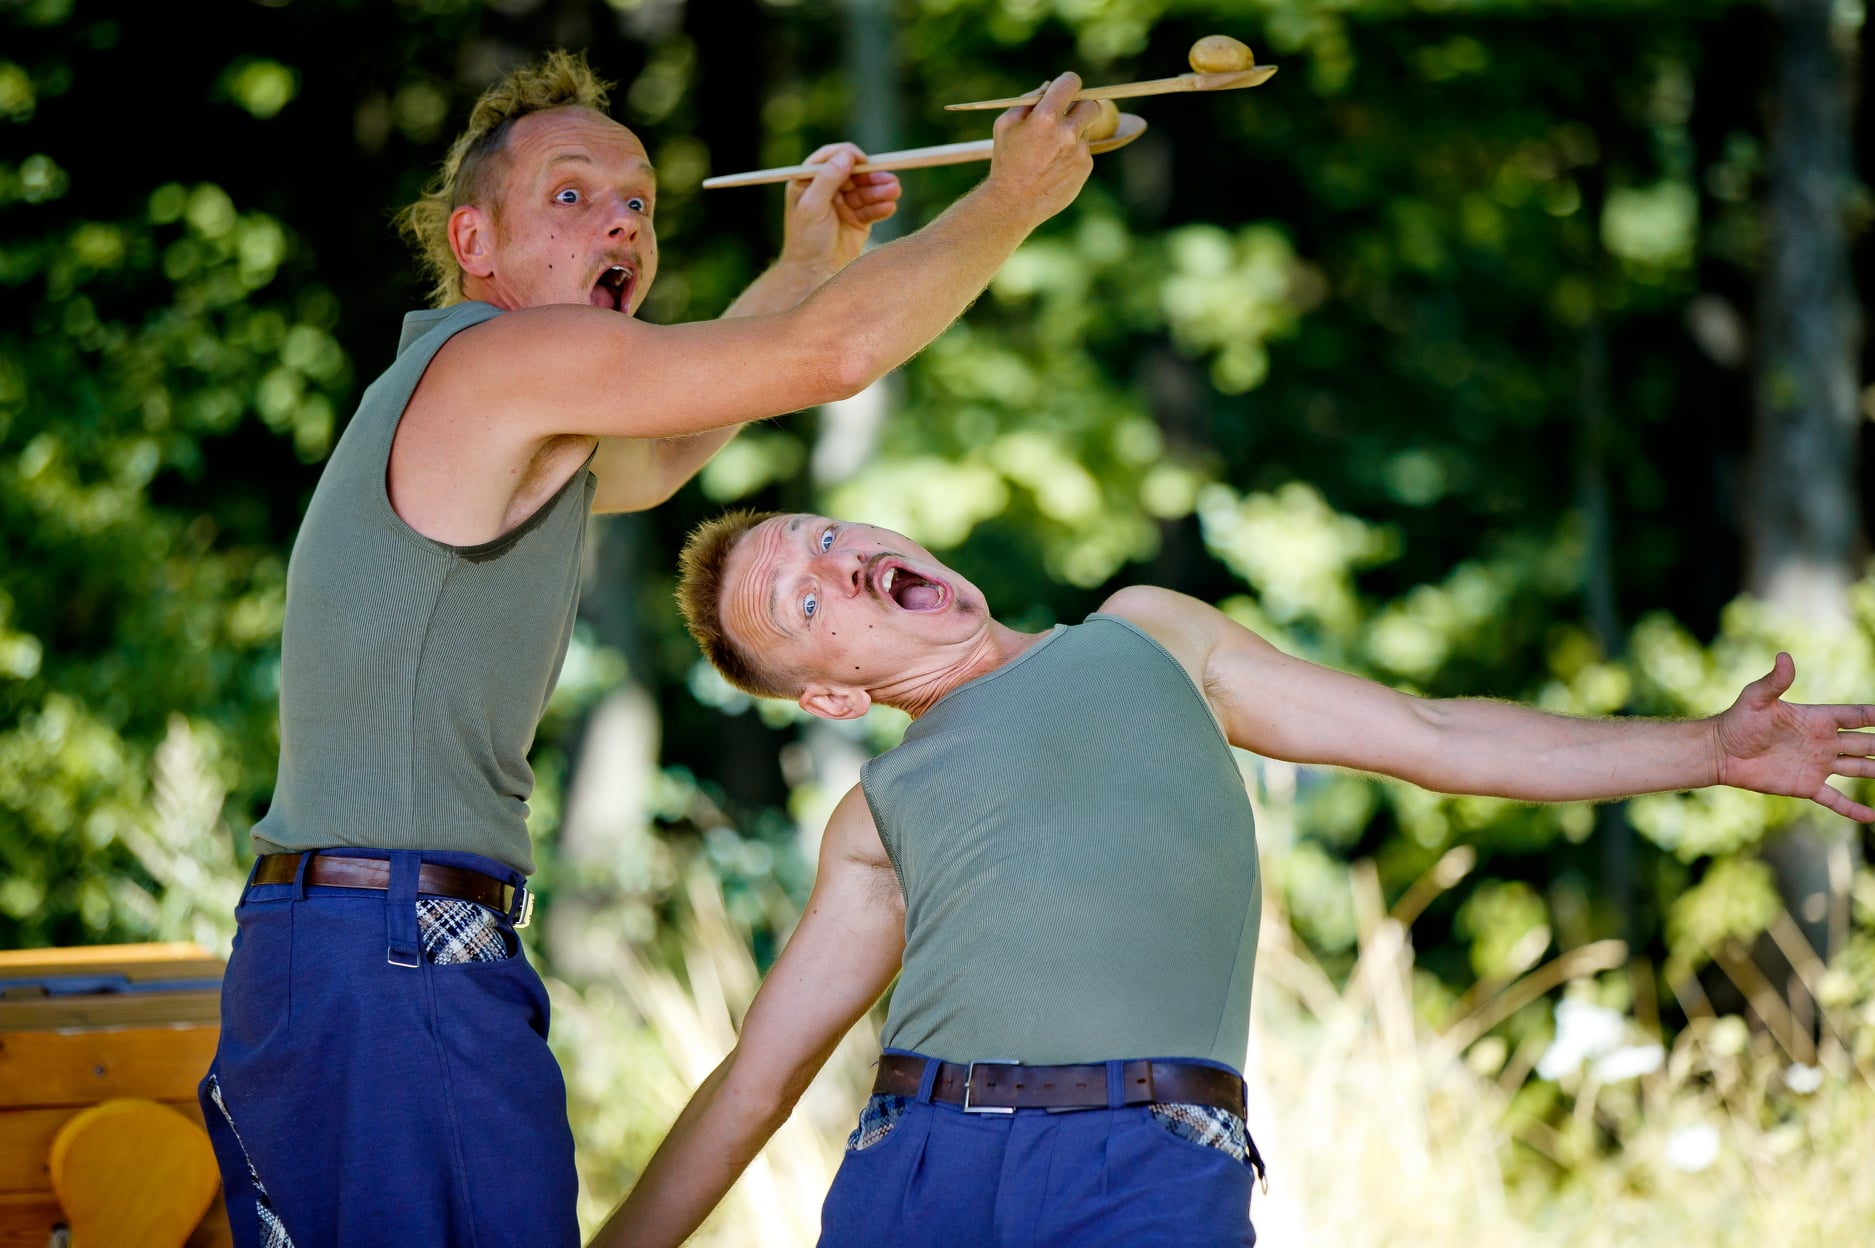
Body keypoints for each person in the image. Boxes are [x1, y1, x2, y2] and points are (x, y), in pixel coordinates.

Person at [198, 48, 1110, 1248]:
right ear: (474, 242)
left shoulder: (498, 402)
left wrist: (804, 262)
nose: (619, 220)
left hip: (358, 949)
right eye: (570, 196)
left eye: (637, 200)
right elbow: (834, 361)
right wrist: (1012, 197)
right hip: (388, 954)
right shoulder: (498, 357)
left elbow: (672, 444)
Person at [594, 508, 1875, 1248]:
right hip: (921, 1164)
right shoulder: (877, 812)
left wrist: (1707, 748)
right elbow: (760, 1077)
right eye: (804, 603)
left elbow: (1434, 737)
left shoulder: (1147, 633)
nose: (836, 565)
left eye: (824, 538)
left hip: (1139, 1159)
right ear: (828, 693)